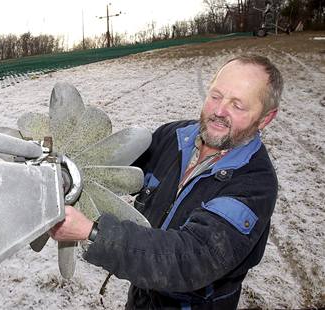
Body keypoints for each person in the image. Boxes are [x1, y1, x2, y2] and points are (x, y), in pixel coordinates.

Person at [50, 54, 283, 309]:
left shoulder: (254, 184)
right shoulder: (173, 137)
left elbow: (190, 260)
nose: (218, 111)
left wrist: (93, 232)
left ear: (265, 118)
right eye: (215, 96)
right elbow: (113, 171)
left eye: (238, 106)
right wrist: (64, 173)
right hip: (141, 297)